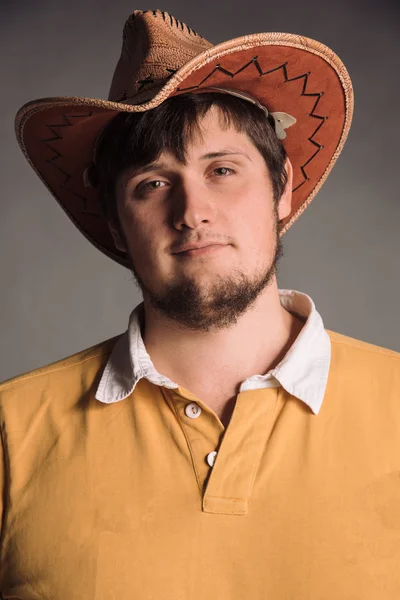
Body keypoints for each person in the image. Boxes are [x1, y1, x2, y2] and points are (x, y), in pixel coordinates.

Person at [1, 9, 399, 599]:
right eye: (152, 184)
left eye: (222, 169)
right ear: (115, 224)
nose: (192, 211)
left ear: (282, 187)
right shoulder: (11, 430)